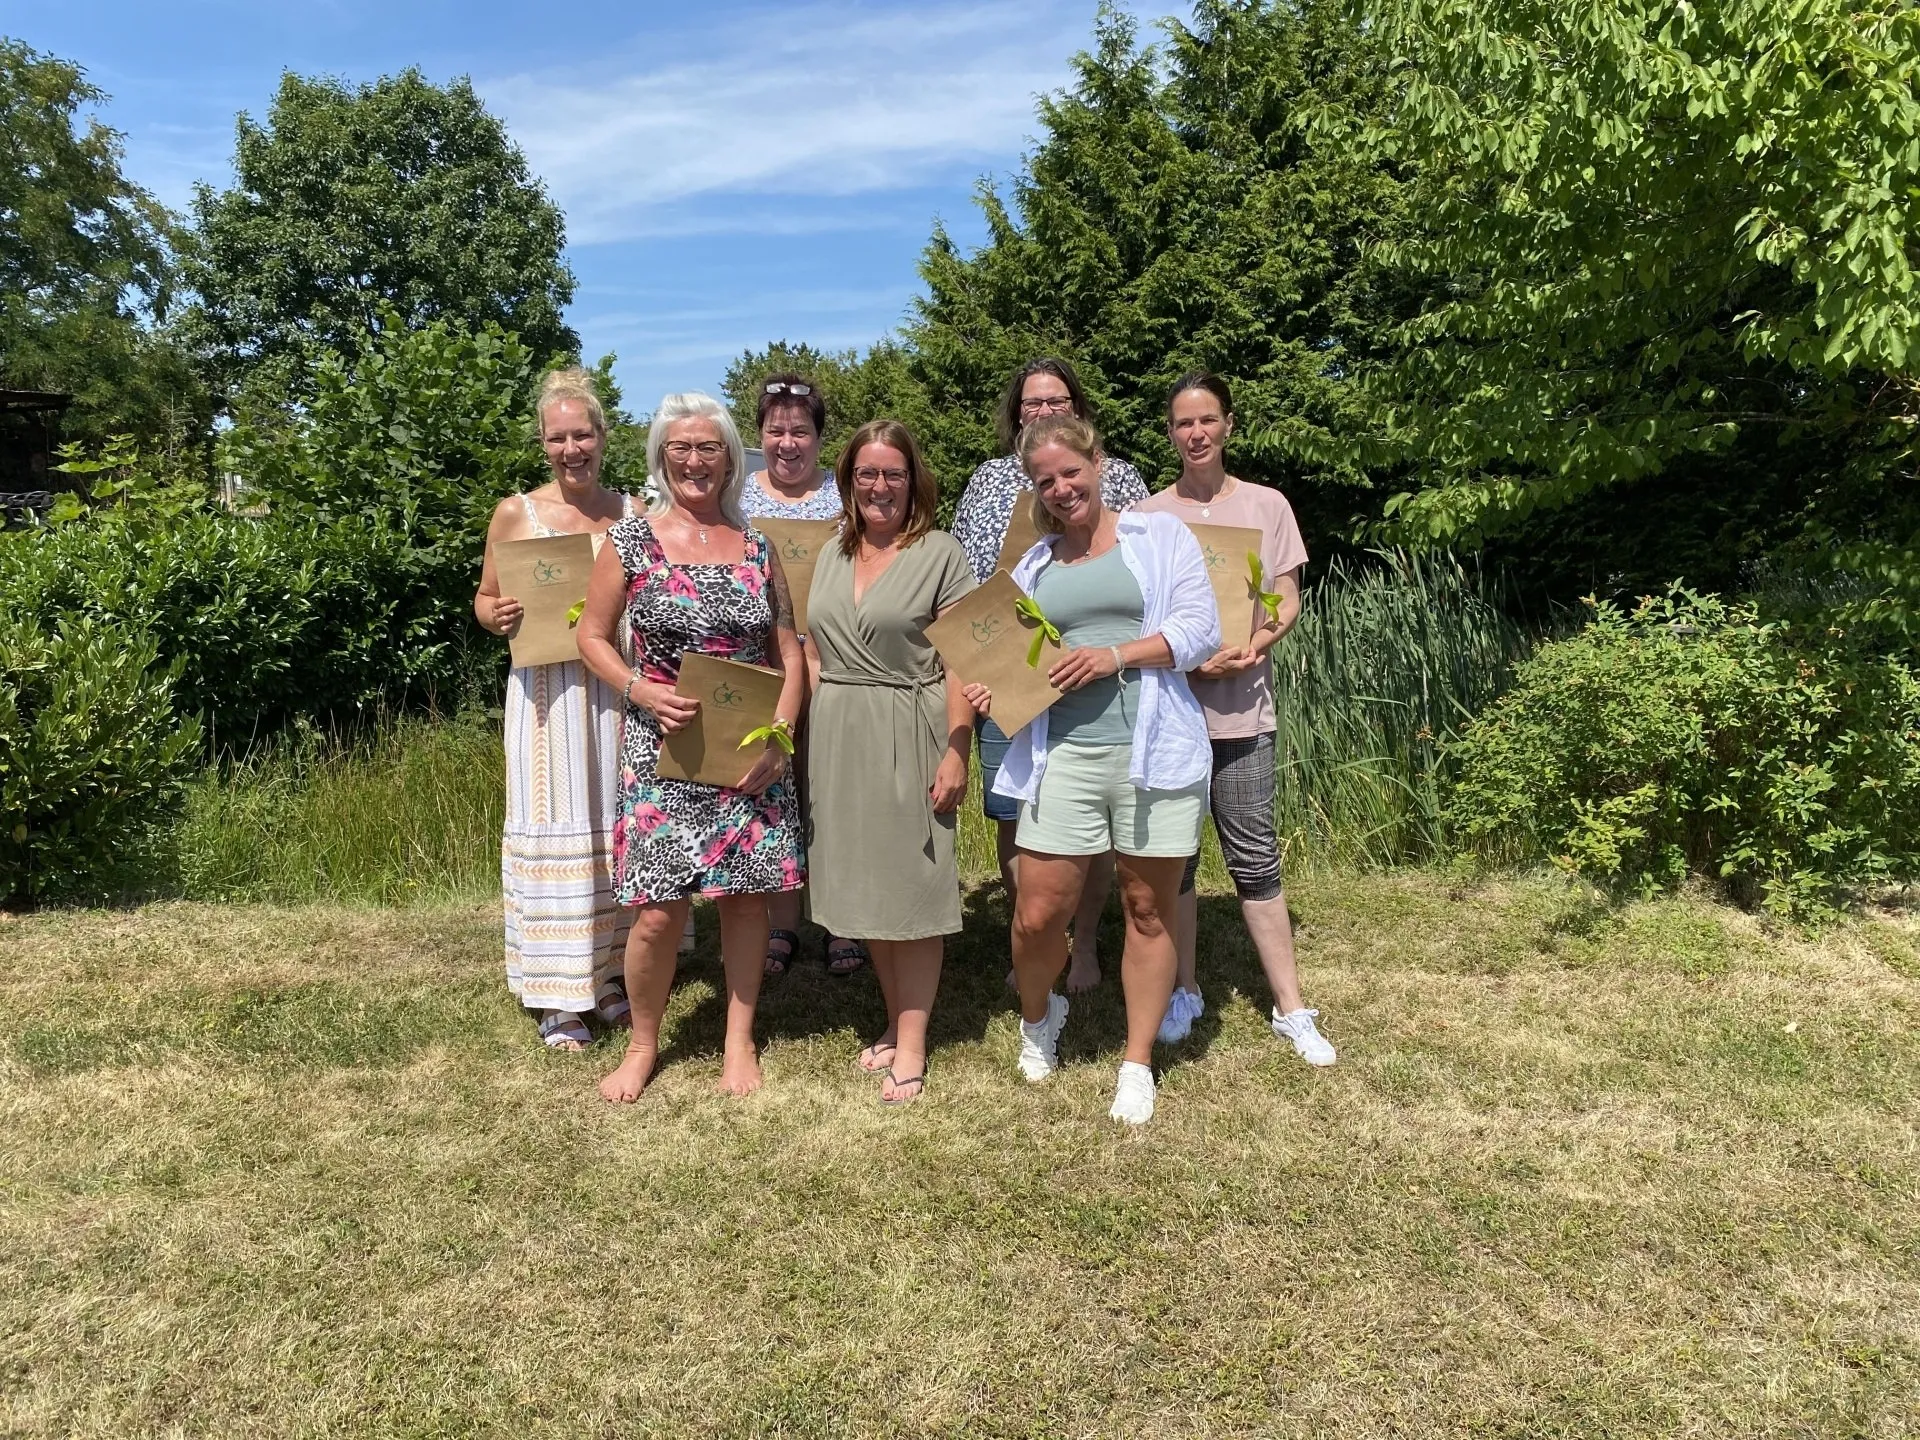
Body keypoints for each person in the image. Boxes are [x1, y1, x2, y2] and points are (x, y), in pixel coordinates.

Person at [962, 414, 1219, 1124]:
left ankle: (1137, 1062)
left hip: (1154, 752)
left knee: (1147, 907)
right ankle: (1041, 1016)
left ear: (1098, 464)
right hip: (1061, 755)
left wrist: (1115, 655)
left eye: (1070, 473)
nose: (1061, 489)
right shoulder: (1034, 567)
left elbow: (1200, 631)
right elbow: (1014, 667)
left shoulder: (1158, 537)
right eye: (1045, 482)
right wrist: (993, 689)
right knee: (1039, 911)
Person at [575, 392, 806, 1101]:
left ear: (732, 459)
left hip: (747, 753)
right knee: (657, 910)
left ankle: (739, 1040)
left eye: (709, 448)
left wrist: (783, 737)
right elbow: (590, 634)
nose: (696, 461)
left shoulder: (758, 547)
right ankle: (645, 1044)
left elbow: (790, 655)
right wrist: (639, 689)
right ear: (660, 458)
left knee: (743, 901)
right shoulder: (630, 541)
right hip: (661, 751)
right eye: (681, 448)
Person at [1138, 372, 1334, 1064]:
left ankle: (1291, 1006)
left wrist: (1259, 640)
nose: (1196, 434)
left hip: (1245, 712)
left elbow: (1285, 594)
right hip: (1172, 715)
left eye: (1208, 421)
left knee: (1254, 857)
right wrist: (1186, 662)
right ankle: (1184, 990)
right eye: (1183, 423)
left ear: (1228, 426)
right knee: (1178, 865)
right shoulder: (1150, 515)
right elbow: (1141, 614)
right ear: (1170, 433)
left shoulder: (1266, 506)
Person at [951, 358, 1150, 994]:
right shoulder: (985, 482)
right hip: (1008, 674)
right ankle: (1036, 942)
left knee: (1087, 826)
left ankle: (1086, 945)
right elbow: (967, 585)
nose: (1045, 412)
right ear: (1016, 414)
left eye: (1057, 401)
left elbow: (1147, 577)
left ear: (1079, 408)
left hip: (1093, 679)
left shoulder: (1118, 477)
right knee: (1015, 814)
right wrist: (977, 669)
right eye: (1032, 404)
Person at [804, 420, 976, 1103]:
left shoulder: (940, 553)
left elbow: (964, 659)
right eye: (867, 474)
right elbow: (813, 651)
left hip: (912, 726)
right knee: (865, 887)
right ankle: (890, 1018)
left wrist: (957, 749)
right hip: (839, 730)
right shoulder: (829, 553)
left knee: (913, 884)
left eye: (893, 474)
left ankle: (912, 1041)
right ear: (848, 481)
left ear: (914, 482)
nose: (880, 486)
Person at [473, 367, 638, 1052]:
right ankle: (555, 994)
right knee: (557, 820)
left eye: (583, 434)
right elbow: (484, 600)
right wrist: (498, 613)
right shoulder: (518, 512)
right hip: (547, 699)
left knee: (612, 825)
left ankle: (606, 978)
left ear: (603, 436)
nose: (572, 448)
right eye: (558, 437)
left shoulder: (632, 511)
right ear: (543, 443)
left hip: (616, 695)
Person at [738, 372, 866, 980]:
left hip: (838, 666)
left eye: (800, 431)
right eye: (775, 430)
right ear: (759, 435)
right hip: (759, 668)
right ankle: (782, 924)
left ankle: (842, 924)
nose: (788, 443)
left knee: (833, 793)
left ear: (819, 436)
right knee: (774, 793)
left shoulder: (845, 501)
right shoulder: (737, 499)